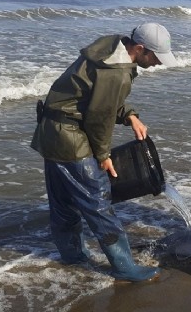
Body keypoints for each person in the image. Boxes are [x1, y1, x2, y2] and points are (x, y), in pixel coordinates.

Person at [30, 22, 178, 282]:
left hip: (51, 133)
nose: (158, 63)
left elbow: (95, 97)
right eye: (155, 57)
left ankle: (72, 255)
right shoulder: (116, 73)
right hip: (70, 138)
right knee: (98, 201)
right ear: (140, 48)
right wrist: (103, 156)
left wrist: (130, 115)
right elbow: (99, 117)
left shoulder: (111, 47)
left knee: (63, 202)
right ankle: (124, 267)